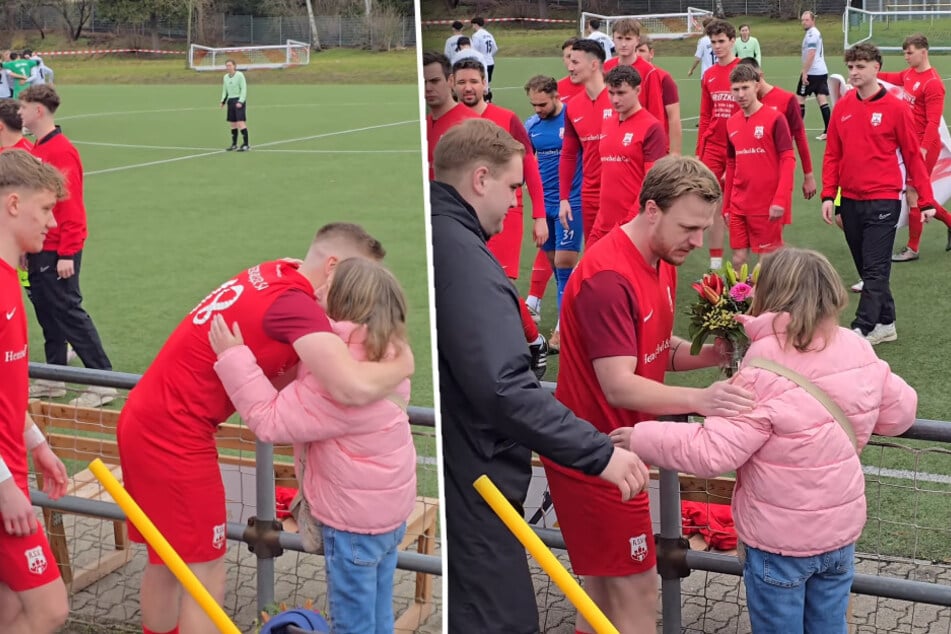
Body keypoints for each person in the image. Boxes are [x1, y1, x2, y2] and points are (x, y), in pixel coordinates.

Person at [116, 223, 414, 634]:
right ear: (333, 267)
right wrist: (403, 364)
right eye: (355, 273)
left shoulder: (279, 272)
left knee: (166, 561)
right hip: (174, 435)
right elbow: (349, 387)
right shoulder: (300, 308)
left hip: (150, 420)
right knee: (206, 571)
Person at [616, 247, 918, 634]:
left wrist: (641, 436)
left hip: (779, 542)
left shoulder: (762, 366)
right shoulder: (856, 347)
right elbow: (900, 414)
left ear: (770, 295)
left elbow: (712, 451)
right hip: (838, 535)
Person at [431, 118, 652, 634]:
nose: (516, 203)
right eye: (513, 187)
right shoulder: (463, 257)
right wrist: (598, 452)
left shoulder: (455, 242)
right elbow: (504, 387)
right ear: (480, 179)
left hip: (476, 477)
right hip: (477, 485)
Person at [545, 155, 755, 633]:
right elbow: (619, 383)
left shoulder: (660, 258)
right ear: (652, 209)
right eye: (689, 228)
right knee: (636, 592)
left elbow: (654, 350)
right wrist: (701, 400)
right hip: (597, 458)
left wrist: (710, 354)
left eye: (703, 228)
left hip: (618, 454)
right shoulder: (608, 278)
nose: (697, 241)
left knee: (601, 601)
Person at [207, 257, 416, 634]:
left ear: (345, 302)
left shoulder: (339, 377)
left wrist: (234, 357)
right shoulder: (386, 354)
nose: (316, 292)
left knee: (353, 626)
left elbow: (270, 421)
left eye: (327, 288)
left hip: (354, 527)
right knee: (378, 616)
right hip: (387, 517)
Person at [821, 43, 936, 345]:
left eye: (860, 66)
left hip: (884, 198)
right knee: (867, 266)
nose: (854, 72)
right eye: (851, 67)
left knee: (874, 268)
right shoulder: (843, 106)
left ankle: (862, 328)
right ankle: (886, 322)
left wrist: (925, 200)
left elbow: (913, 157)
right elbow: (832, 154)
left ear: (876, 68)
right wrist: (828, 195)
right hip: (850, 200)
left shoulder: (896, 109)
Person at [0, 148, 71, 634]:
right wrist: (6, 488)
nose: (53, 222)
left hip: (11, 473)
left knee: (10, 608)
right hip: (4, 486)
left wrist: (37, 444)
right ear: (12, 204)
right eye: (45, 208)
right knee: (48, 608)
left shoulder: (11, 279)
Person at [452, 57, 551, 377]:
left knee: (498, 282)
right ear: (453, 85)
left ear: (485, 84)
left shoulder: (506, 119)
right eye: (462, 81)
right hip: (462, 214)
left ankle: (533, 341)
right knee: (466, 285)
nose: (468, 87)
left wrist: (540, 216)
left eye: (474, 81)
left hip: (505, 211)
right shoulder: (447, 122)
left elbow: (529, 165)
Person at [18, 85, 116, 407]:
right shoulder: (38, 147)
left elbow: (72, 207)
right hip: (40, 246)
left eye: (24, 107)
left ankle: (103, 381)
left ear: (38, 111)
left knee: (68, 312)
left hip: (58, 248)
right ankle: (53, 377)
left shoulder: (61, 151)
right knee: (47, 313)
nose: (19, 112)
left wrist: (68, 253)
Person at [523, 76, 583, 351]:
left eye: (542, 104)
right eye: (534, 105)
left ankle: (562, 330)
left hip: (570, 203)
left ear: (556, 96)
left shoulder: (573, 119)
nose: (538, 110)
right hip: (544, 206)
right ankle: (570, 317)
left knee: (564, 265)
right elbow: (524, 162)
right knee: (557, 269)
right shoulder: (531, 126)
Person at [878, 34, 951, 261]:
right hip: (910, 144)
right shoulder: (910, 74)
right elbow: (892, 77)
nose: (906, 57)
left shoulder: (933, 83)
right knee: (918, 195)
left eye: (909, 52)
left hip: (924, 147)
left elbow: (933, 122)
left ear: (923, 52)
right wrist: (869, 74)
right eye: (905, 53)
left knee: (913, 193)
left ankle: (913, 248)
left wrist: (923, 150)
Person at [724, 63, 795, 267]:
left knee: (766, 262)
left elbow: (788, 159)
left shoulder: (775, 119)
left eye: (745, 88)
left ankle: (774, 288)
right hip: (738, 204)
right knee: (738, 260)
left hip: (766, 204)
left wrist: (780, 199)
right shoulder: (731, 123)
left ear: (756, 86)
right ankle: (741, 291)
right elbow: (731, 164)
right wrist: (726, 205)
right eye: (736, 89)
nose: (740, 94)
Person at [589, 65, 666, 244]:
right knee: (589, 261)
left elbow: (653, 183)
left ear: (637, 90)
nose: (615, 99)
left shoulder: (652, 128)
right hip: (602, 223)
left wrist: (631, 221)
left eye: (621, 93)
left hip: (632, 225)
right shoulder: (608, 123)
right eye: (611, 93)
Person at [737, 57, 817, 204]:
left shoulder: (786, 99)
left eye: (748, 84)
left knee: (775, 214)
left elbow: (800, 136)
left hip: (779, 174)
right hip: (750, 176)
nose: (743, 91)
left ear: (760, 76)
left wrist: (809, 175)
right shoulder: (744, 103)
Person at [697, 18, 740, 270]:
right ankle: (715, 265)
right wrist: (700, 151)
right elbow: (705, 116)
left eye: (721, 41)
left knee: (737, 206)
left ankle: (740, 263)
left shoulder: (743, 71)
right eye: (713, 42)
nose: (717, 46)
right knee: (712, 203)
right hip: (713, 147)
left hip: (739, 149)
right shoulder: (709, 75)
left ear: (732, 41)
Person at [558, 39, 609, 244]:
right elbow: (569, 154)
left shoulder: (618, 100)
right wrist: (564, 198)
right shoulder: (572, 106)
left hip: (620, 193)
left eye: (575, 62)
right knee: (594, 252)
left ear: (594, 65)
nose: (570, 67)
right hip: (589, 195)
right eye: (569, 61)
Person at [603, 19, 669, 154]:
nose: (623, 44)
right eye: (619, 38)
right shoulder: (606, 67)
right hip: (611, 133)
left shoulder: (649, 71)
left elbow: (656, 111)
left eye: (628, 39)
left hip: (638, 138)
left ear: (637, 40)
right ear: (613, 39)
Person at [423, 51, 477, 180]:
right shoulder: (423, 124)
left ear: (451, 81)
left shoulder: (471, 124)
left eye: (435, 81)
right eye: (423, 82)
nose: (428, 88)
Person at [636, 36, 682, 156]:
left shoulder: (664, 78)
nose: (637, 55)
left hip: (657, 146)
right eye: (635, 50)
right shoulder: (624, 79)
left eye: (641, 50)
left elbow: (674, 118)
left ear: (651, 53)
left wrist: (675, 153)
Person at [799, 11, 831, 141]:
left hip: (812, 73)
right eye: (802, 20)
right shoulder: (813, 33)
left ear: (813, 20)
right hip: (821, 71)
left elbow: (811, 54)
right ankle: (829, 131)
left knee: (800, 100)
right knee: (822, 100)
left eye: (806, 20)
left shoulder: (812, 34)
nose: (804, 22)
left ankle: (797, 131)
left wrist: (805, 72)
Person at [220, 59, 249, 151]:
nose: (228, 67)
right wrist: (223, 101)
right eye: (227, 66)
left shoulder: (240, 75)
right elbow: (225, 90)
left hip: (238, 100)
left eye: (230, 65)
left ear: (234, 66)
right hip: (231, 101)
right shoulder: (225, 77)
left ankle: (246, 145)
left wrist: (241, 101)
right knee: (233, 124)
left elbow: (243, 88)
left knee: (240, 122)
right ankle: (234, 144)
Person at [469, 17, 497, 101]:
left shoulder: (476, 35)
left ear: (476, 24)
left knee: (481, 83)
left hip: (482, 63)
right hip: (491, 62)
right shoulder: (489, 34)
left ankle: (484, 100)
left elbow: (474, 50)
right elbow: (495, 48)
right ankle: (488, 100)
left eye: (473, 25)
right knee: (487, 83)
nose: (472, 27)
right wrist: (489, 55)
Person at [555, 37, 584, 103]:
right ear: (563, 60)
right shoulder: (556, 89)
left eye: (576, 55)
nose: (572, 59)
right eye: (569, 56)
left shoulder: (599, 86)